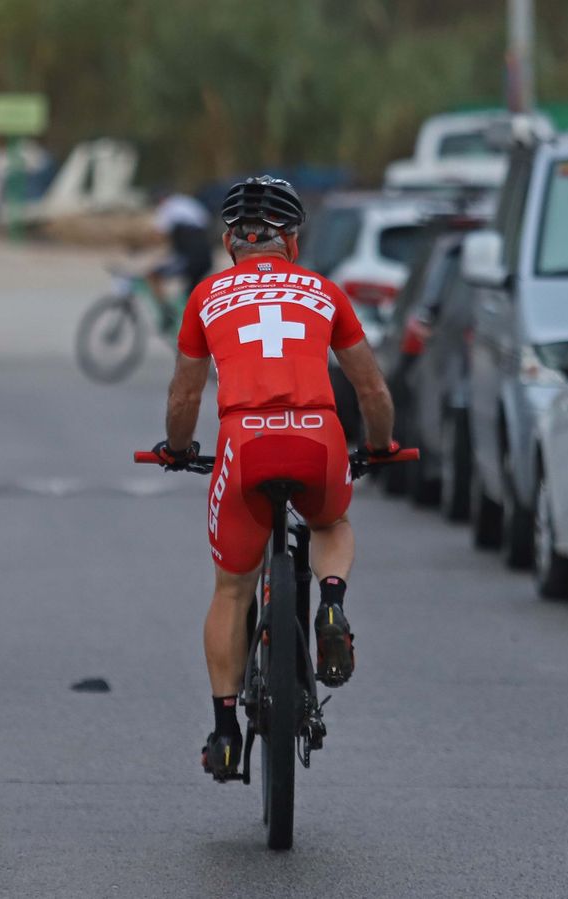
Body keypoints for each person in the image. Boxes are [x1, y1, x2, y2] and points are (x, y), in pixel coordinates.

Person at [151, 175, 397, 781]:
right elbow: (370, 387)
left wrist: (178, 449)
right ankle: (332, 605)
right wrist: (380, 445)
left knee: (232, 590)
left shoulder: (207, 295)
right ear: (291, 239)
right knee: (332, 522)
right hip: (318, 436)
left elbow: (184, 393)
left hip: (245, 443)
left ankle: (226, 730)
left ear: (232, 241)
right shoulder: (324, 291)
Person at [151, 188, 215, 324]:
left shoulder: (167, 208)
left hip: (190, 259)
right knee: (190, 295)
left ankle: (166, 314)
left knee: (153, 275)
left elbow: (158, 235)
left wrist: (137, 246)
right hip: (206, 256)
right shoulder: (185, 201)